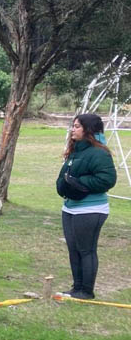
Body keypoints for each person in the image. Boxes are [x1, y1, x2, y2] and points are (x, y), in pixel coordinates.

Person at [55, 113, 117, 299]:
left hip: (90, 210)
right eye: (73, 126)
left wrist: (79, 183)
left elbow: (107, 179)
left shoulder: (99, 153)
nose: (73, 129)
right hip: (70, 208)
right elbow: (65, 176)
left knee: (86, 250)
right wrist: (64, 185)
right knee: (73, 249)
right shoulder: (76, 151)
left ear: (88, 130)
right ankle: (77, 288)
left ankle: (86, 291)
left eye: (77, 126)